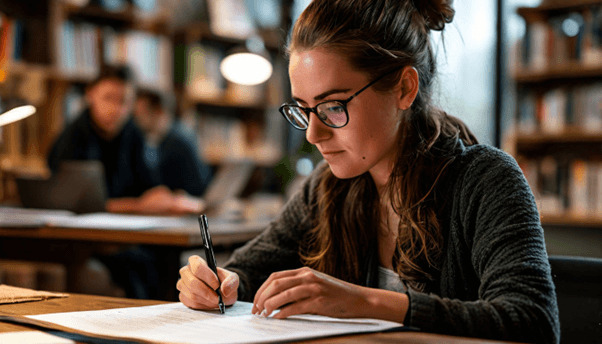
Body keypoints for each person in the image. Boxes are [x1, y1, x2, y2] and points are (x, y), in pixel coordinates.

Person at [176, 1, 560, 343]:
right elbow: (245, 271)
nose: (314, 133)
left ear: (404, 89)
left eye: (333, 106)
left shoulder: (486, 179)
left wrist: (364, 302)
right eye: (304, 109)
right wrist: (217, 284)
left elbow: (533, 322)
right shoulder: (325, 189)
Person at [47, 64, 203, 215]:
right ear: (90, 95)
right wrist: (138, 205)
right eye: (108, 98)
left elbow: (149, 186)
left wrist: (168, 198)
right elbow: (76, 204)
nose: (116, 109)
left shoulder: (133, 132)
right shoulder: (72, 139)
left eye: (124, 101)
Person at [133, 88, 212, 199]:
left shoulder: (177, 143)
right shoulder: (176, 133)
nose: (136, 119)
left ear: (158, 111)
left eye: (140, 113)